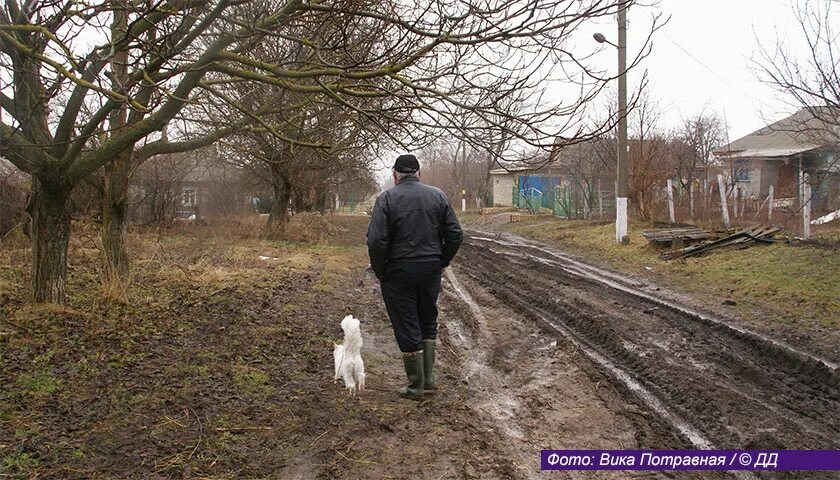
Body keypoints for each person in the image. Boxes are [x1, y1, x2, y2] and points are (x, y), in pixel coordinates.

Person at [367, 154, 463, 400]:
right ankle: (429, 380)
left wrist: (380, 270)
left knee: (406, 322)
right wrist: (442, 261)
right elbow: (455, 234)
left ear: (395, 175)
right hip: (430, 267)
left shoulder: (386, 199)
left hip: (398, 270)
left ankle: (415, 385)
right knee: (427, 318)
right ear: (418, 173)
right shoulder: (438, 196)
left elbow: (377, 241)